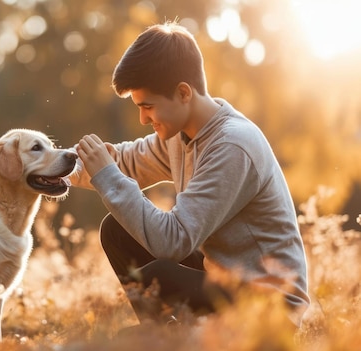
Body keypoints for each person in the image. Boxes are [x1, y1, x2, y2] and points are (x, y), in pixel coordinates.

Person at [71, 21, 309, 327]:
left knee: (160, 275)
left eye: (148, 106)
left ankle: (168, 338)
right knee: (117, 230)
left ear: (184, 92)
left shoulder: (233, 145)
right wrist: (52, 170)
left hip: (268, 305)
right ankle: (169, 335)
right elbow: (125, 163)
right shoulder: (178, 134)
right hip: (223, 280)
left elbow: (174, 241)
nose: (143, 118)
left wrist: (106, 172)